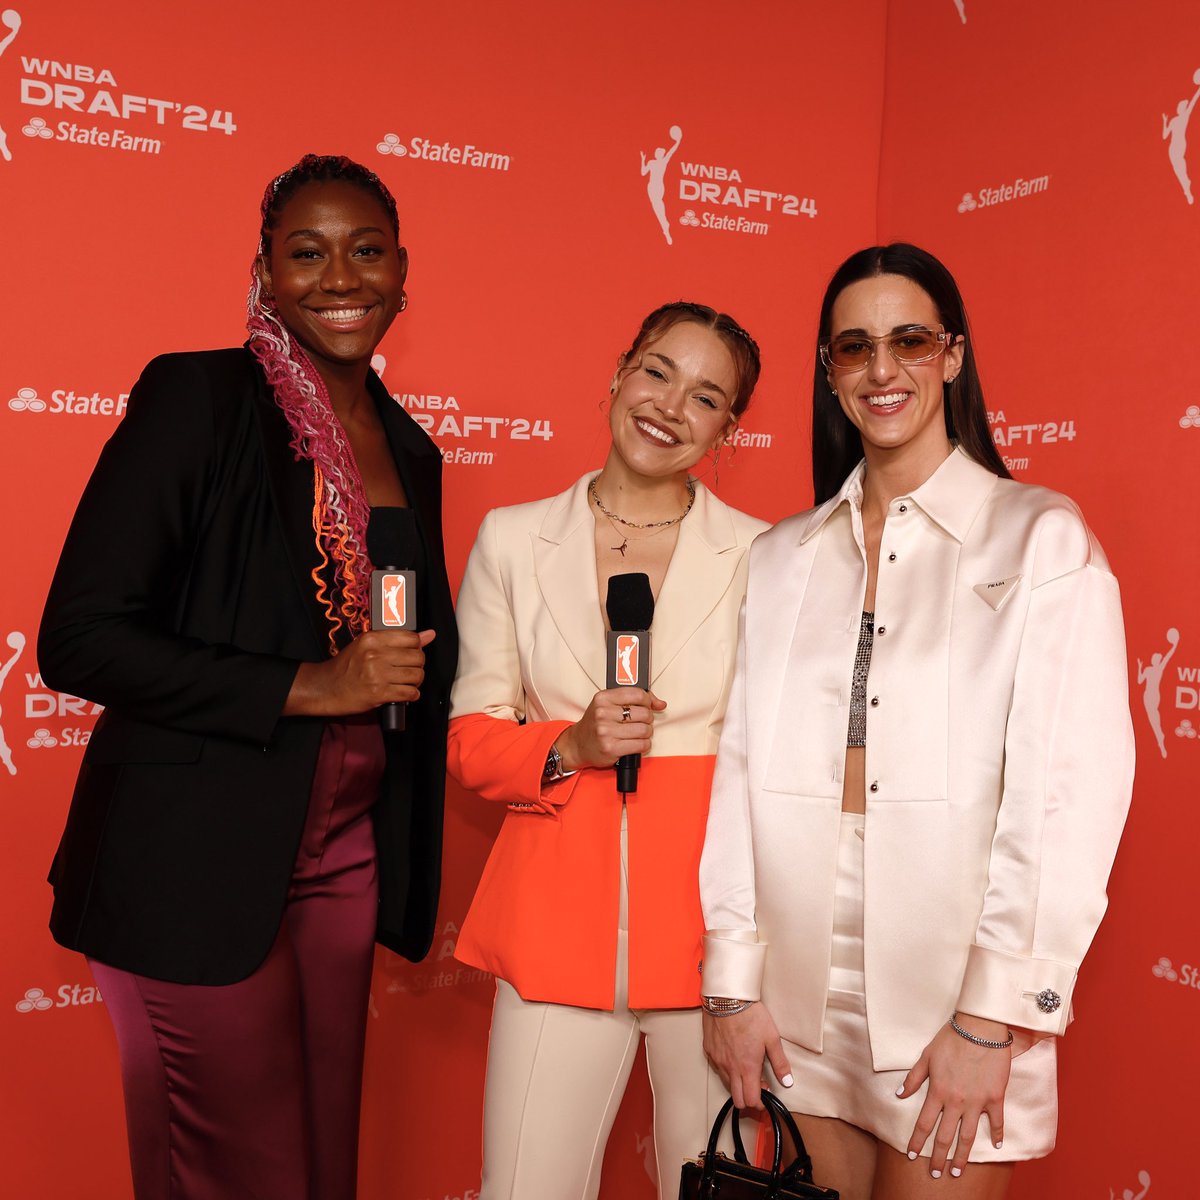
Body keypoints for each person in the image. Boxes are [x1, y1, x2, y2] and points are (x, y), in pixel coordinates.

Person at [39, 154, 457, 1200]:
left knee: (321, 1167)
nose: (340, 278)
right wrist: (309, 684)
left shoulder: (412, 449)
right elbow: (81, 637)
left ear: (404, 271)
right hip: (193, 858)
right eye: (305, 253)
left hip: (342, 862)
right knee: (241, 1172)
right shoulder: (202, 398)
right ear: (263, 273)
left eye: (366, 251)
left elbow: (410, 653)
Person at [699, 244, 1134, 1200]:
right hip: (797, 994)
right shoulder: (781, 557)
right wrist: (733, 984)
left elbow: (1067, 800)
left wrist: (994, 1017)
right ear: (830, 372)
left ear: (952, 354)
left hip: (954, 991)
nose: (882, 369)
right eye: (854, 347)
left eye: (909, 340)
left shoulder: (1041, 538)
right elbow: (736, 780)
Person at [447, 302, 769, 1200]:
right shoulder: (512, 540)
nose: (669, 405)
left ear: (728, 428)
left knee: (717, 1191)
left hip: (714, 944)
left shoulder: (766, 555)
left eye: (706, 396)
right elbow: (472, 736)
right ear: (620, 371)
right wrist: (570, 744)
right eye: (658, 371)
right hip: (556, 926)